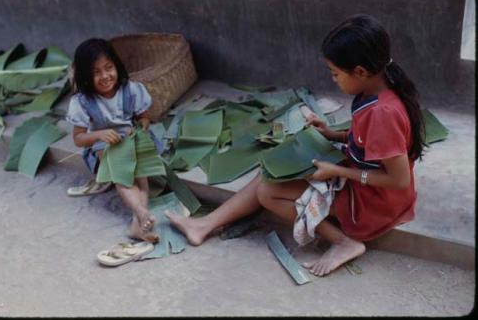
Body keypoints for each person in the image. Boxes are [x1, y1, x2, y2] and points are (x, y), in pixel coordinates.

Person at [165, 14, 425, 276]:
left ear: (360, 71)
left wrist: (338, 172)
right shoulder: (373, 90)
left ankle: (344, 242)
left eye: (335, 73)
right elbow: (368, 142)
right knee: (273, 170)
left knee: (269, 192)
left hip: (374, 204)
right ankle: (204, 225)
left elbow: (399, 180)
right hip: (361, 182)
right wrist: (332, 135)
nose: (333, 79)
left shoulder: (383, 114)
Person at [66, 38, 160, 243]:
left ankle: (137, 223)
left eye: (109, 68)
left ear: (117, 66)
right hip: (104, 144)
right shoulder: (82, 102)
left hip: (130, 138)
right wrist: (99, 135)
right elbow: (78, 139)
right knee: (123, 175)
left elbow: (144, 117)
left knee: (140, 175)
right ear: (84, 76)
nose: (105, 76)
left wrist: (141, 128)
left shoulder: (132, 89)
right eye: (95, 72)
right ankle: (142, 213)